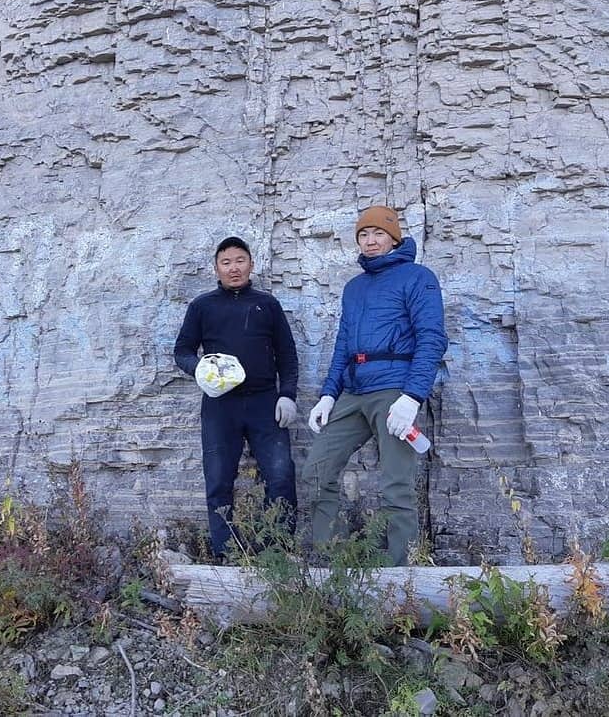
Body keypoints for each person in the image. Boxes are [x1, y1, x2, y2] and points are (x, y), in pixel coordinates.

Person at [301, 205, 448, 565]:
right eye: (363, 235)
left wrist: (412, 397)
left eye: (378, 234)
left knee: (397, 485)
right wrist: (327, 394)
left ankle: (402, 577)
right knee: (317, 471)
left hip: (394, 391)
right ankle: (331, 564)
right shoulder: (354, 287)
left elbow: (432, 338)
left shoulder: (418, 277)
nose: (370, 241)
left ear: (394, 238)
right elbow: (343, 344)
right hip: (353, 392)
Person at [174, 236, 300, 560]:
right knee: (218, 479)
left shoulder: (266, 305)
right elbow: (182, 350)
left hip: (264, 402)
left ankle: (279, 553)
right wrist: (198, 368)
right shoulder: (202, 306)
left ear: (251, 264)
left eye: (240, 260)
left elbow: (287, 354)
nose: (234, 268)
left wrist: (287, 396)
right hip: (220, 404)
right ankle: (227, 554)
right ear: (216, 268)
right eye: (226, 262)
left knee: (281, 475)